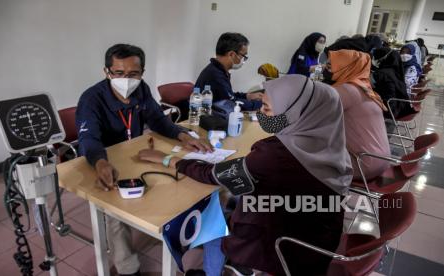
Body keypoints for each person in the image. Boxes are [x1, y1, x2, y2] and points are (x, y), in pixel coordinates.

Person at [138, 74, 353, 275]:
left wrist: (166, 159)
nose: (261, 114)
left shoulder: (276, 154)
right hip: (319, 237)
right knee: (232, 198)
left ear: (294, 113)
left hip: (285, 246)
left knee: (215, 221)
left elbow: (213, 174)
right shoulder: (330, 141)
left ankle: (224, 269)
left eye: (267, 109)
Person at [76, 43, 213, 276]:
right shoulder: (91, 99)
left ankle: (176, 232)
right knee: (115, 213)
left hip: (136, 154)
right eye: (118, 73)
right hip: (104, 160)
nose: (126, 79)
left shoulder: (141, 90)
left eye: (133, 74)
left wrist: (182, 135)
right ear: (106, 72)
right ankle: (128, 269)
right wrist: (101, 163)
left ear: (142, 72)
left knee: (171, 184)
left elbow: (158, 120)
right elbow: (89, 140)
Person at [324, 49, 390, 180]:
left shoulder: (347, 90)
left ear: (346, 67)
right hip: (380, 160)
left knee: (298, 154)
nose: (327, 67)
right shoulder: (363, 87)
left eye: (332, 65)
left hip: (361, 163)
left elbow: (311, 116)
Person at [195, 32, 263, 111]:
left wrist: (247, 96)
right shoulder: (215, 75)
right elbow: (232, 104)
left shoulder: (218, 70)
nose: (243, 60)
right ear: (231, 54)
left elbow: (230, 95)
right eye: (243, 56)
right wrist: (263, 103)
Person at [371, 47, 415, 119]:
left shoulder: (382, 74)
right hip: (398, 108)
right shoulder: (395, 71)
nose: (374, 59)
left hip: (388, 109)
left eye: (376, 57)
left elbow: (367, 84)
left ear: (383, 59)